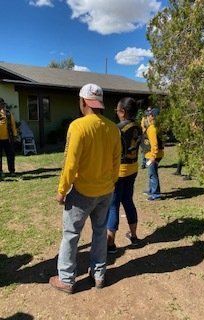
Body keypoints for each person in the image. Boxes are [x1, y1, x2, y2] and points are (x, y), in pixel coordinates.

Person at [49, 83, 121, 294]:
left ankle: (66, 279)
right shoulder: (112, 128)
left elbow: (70, 163)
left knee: (71, 235)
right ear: (99, 103)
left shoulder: (78, 126)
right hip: (106, 191)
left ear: (83, 102)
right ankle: (98, 274)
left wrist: (62, 190)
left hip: (82, 192)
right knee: (100, 232)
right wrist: (111, 182)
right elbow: (116, 162)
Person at [107, 97, 142, 253]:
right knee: (128, 201)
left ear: (122, 111)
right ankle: (134, 236)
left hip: (119, 171)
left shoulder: (117, 128)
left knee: (113, 205)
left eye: (117, 110)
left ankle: (110, 243)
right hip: (133, 168)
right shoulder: (138, 126)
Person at [142, 107, 164, 201]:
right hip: (154, 154)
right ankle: (151, 190)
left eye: (150, 115)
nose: (148, 116)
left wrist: (153, 157)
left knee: (153, 174)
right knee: (151, 173)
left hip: (153, 155)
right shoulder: (156, 126)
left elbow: (154, 144)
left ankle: (156, 194)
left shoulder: (152, 128)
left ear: (153, 116)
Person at [0, 98, 17, 179]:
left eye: (3, 104)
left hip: (8, 139)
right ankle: (0, 172)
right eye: (1, 104)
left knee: (10, 155)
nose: (2, 105)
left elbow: (13, 125)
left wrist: (15, 135)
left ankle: (12, 171)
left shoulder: (8, 113)